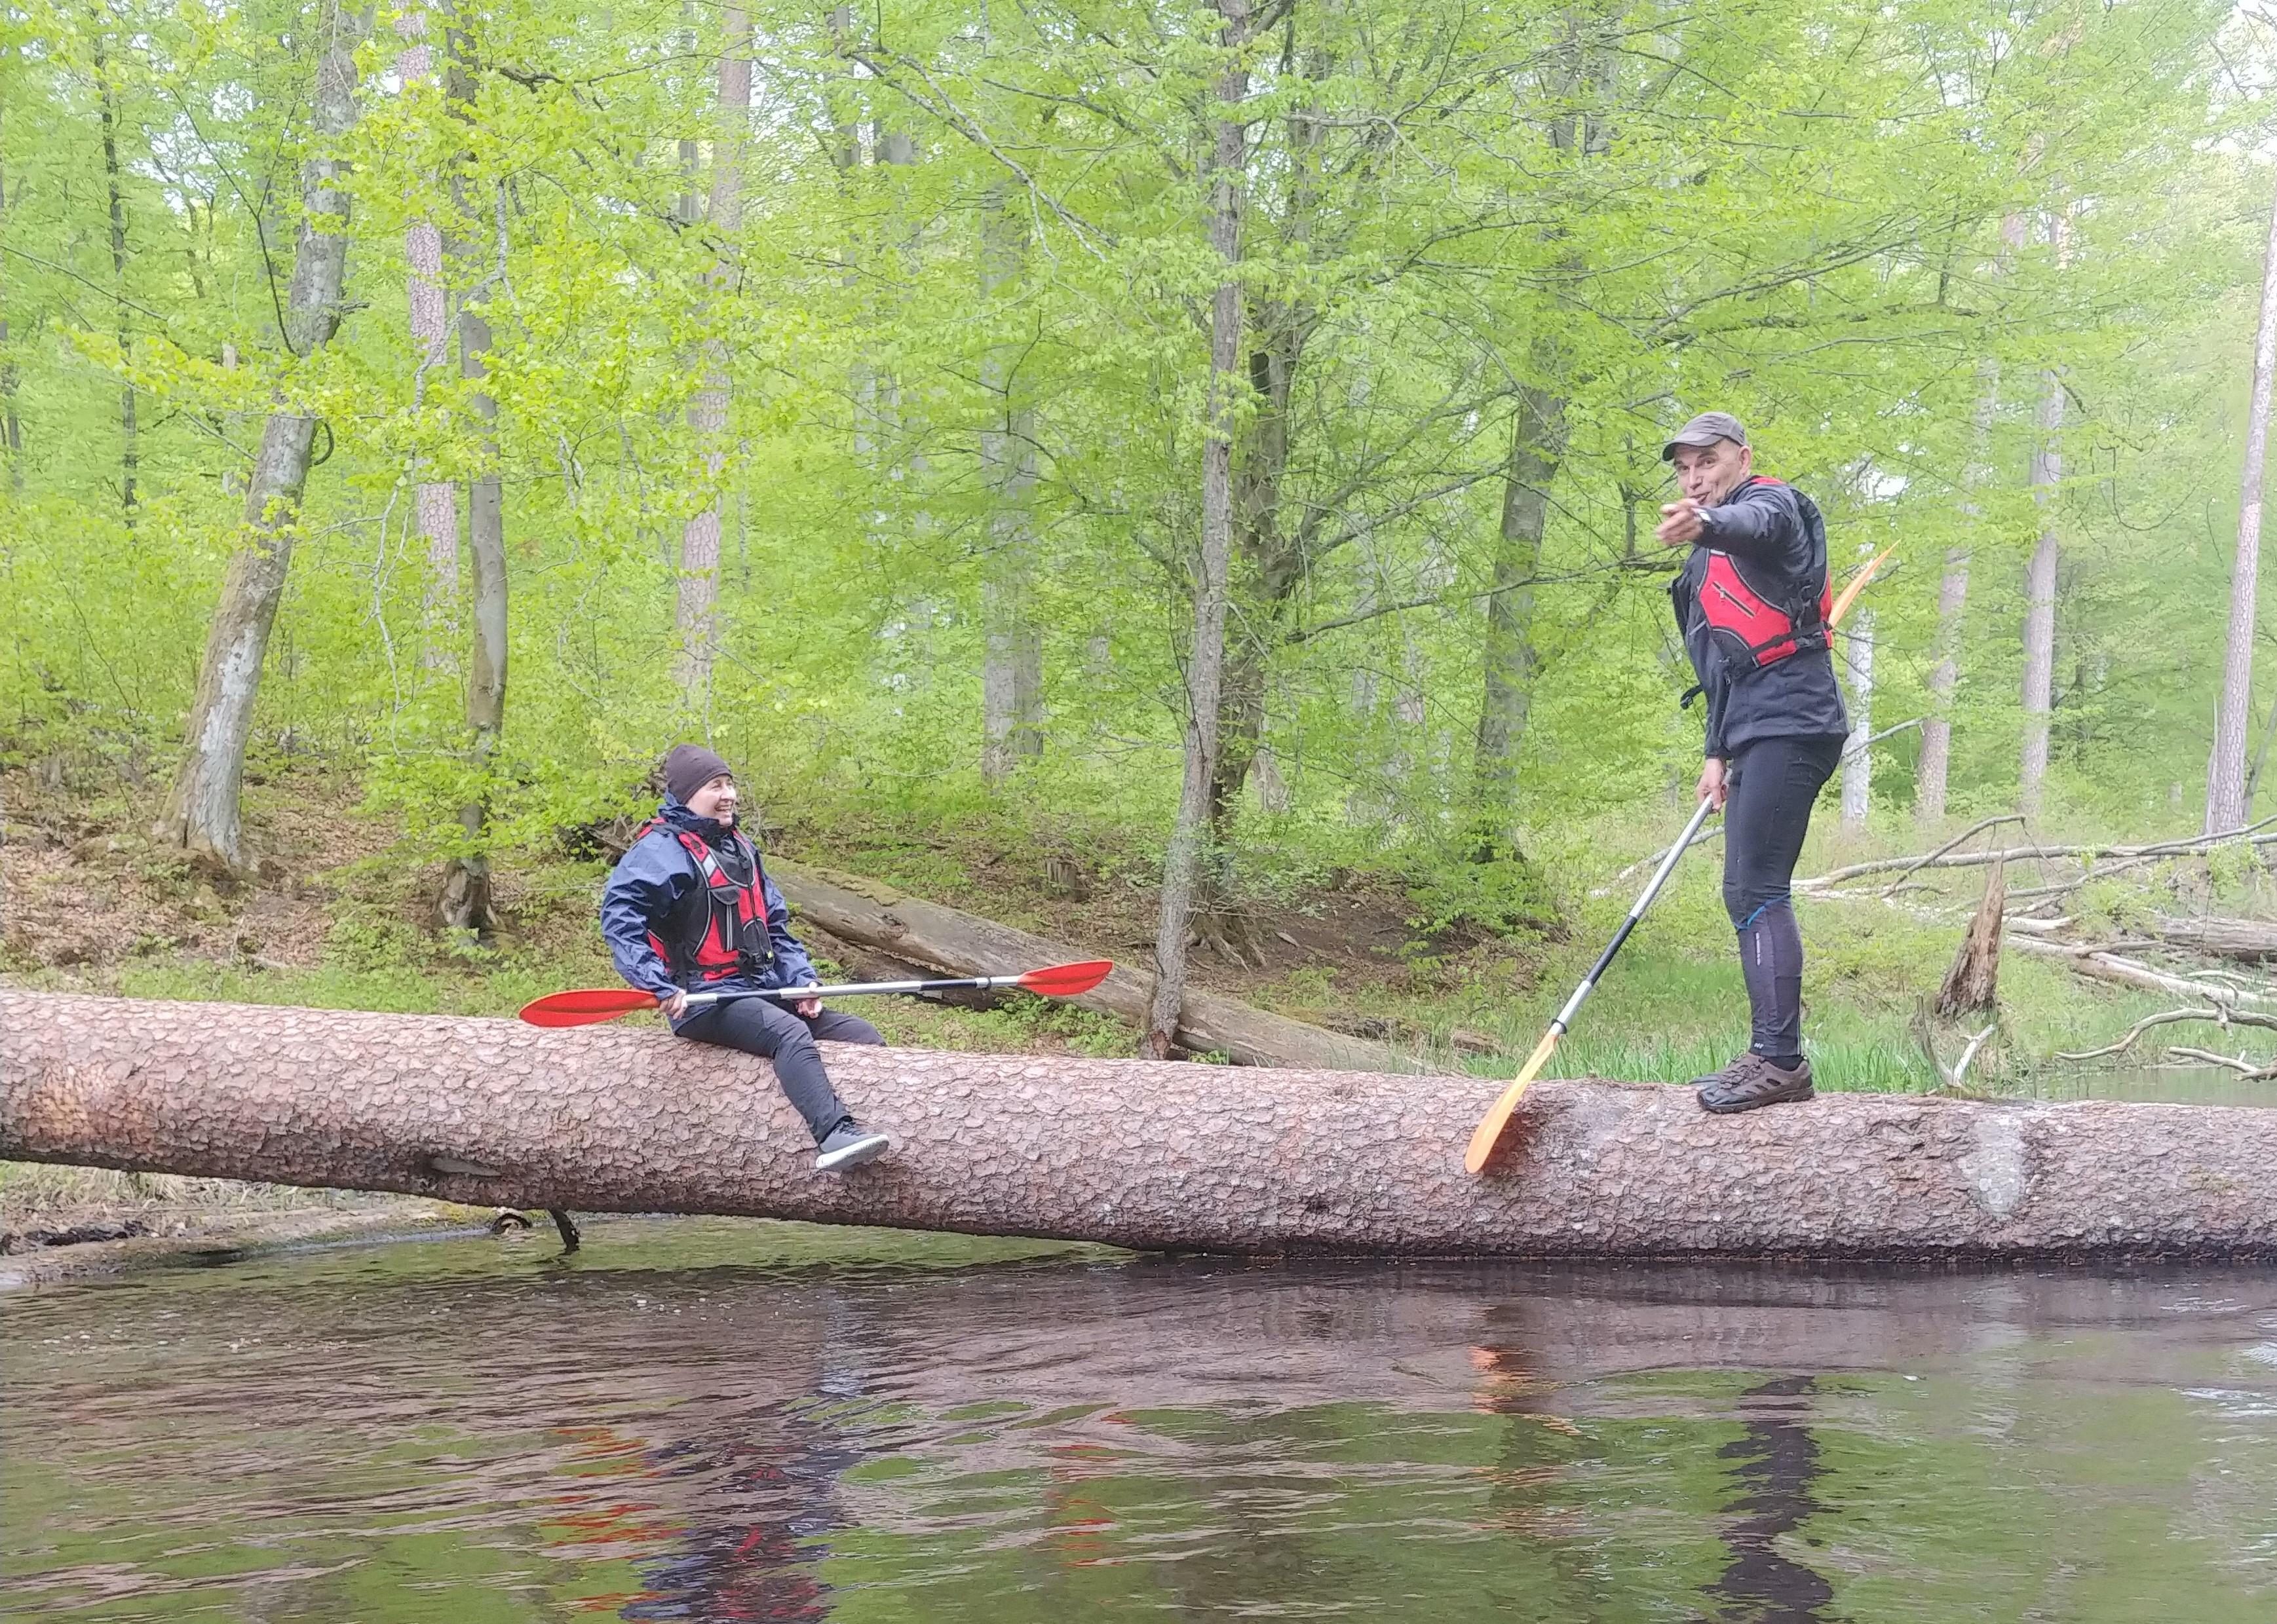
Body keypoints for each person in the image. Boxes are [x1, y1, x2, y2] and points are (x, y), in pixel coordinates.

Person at [1656, 412, 1848, 1113]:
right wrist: (1714, 750)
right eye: (1682, 468)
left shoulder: (1775, 506)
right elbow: (1722, 669)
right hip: (1753, 726)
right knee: (1745, 889)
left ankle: (1779, 1061)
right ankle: (1770, 1054)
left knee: (1756, 887)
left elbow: (1755, 524)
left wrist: (1705, 524)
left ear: (1741, 456)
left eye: (1705, 461)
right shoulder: (1702, 568)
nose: (1693, 477)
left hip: (1796, 721)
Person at [601, 744, 893, 1171]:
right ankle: (834, 1136)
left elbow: (775, 925)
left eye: (729, 783)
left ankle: (882, 1129)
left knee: (862, 1035)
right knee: (788, 1033)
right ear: (686, 794)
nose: (729, 794)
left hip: (762, 987)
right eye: (715, 786)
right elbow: (620, 920)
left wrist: (801, 980)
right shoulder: (661, 852)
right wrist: (657, 984)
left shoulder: (738, 846)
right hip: (704, 1000)